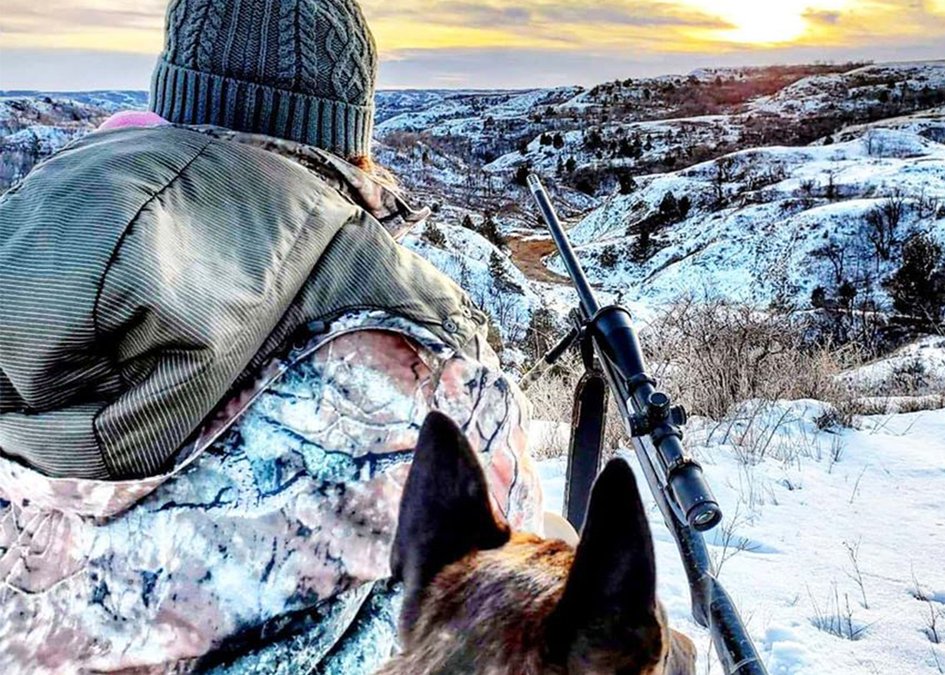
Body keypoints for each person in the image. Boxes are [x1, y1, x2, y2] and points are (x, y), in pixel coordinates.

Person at [0, 1, 543, 672]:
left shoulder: (24, 236)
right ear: (347, 131)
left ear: (172, 97)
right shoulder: (431, 349)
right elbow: (512, 603)